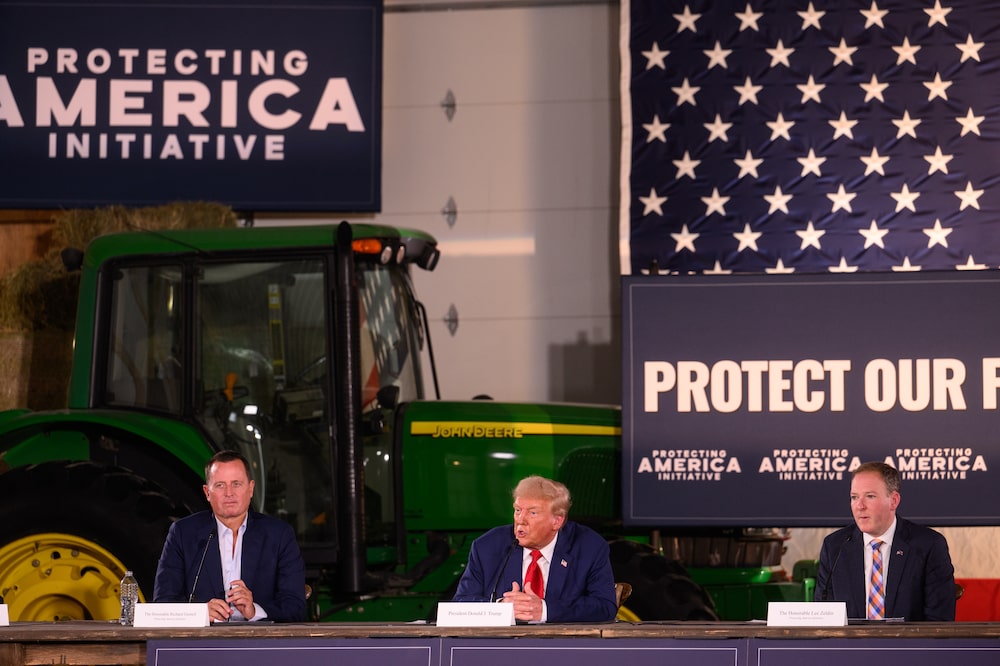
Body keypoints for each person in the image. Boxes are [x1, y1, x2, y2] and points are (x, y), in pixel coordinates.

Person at [154, 450, 307, 622]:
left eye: (236, 484)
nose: (229, 493)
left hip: (260, 643)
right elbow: (163, 602)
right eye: (220, 485)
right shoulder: (182, 533)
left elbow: (296, 607)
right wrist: (200, 613)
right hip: (202, 643)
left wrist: (254, 611)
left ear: (250, 489)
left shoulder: (279, 535)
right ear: (207, 492)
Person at [452, 475, 618, 623]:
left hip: (563, 648)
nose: (521, 520)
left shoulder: (589, 546)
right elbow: (459, 605)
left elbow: (604, 606)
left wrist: (544, 610)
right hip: (502, 648)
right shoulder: (487, 546)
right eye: (517, 510)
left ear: (557, 521)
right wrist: (500, 608)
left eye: (532, 513)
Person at [815, 461, 955, 621]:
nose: (859, 506)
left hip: (910, 645)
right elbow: (823, 617)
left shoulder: (928, 545)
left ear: (894, 501)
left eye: (870, 496)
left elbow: (939, 621)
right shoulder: (835, 546)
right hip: (850, 646)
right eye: (854, 497)